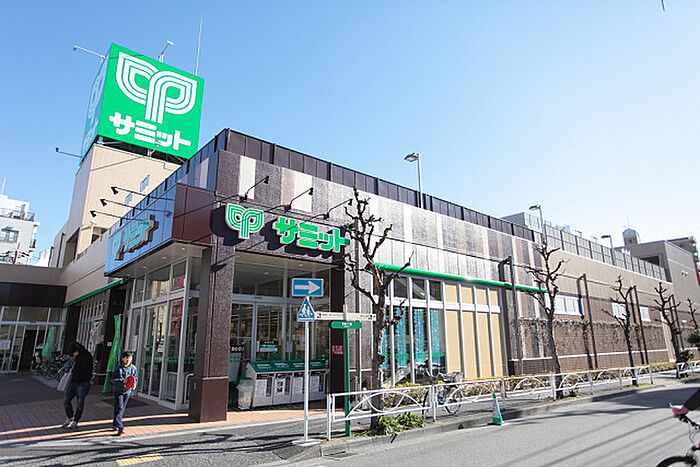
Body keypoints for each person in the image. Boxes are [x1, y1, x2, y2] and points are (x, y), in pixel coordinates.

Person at [61, 342, 94, 429]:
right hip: (74, 381)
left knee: (80, 403)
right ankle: (70, 417)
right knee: (66, 401)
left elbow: (86, 370)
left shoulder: (87, 356)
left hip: (83, 382)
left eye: (74, 352)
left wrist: (74, 371)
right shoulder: (77, 357)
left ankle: (75, 420)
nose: (74, 354)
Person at [110, 351, 138, 436]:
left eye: (129, 358)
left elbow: (135, 378)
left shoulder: (133, 368)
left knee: (120, 408)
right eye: (126, 358)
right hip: (118, 391)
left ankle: (115, 423)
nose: (128, 360)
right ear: (123, 359)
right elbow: (112, 379)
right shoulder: (118, 368)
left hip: (127, 391)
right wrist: (122, 381)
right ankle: (120, 426)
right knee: (120, 407)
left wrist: (134, 385)